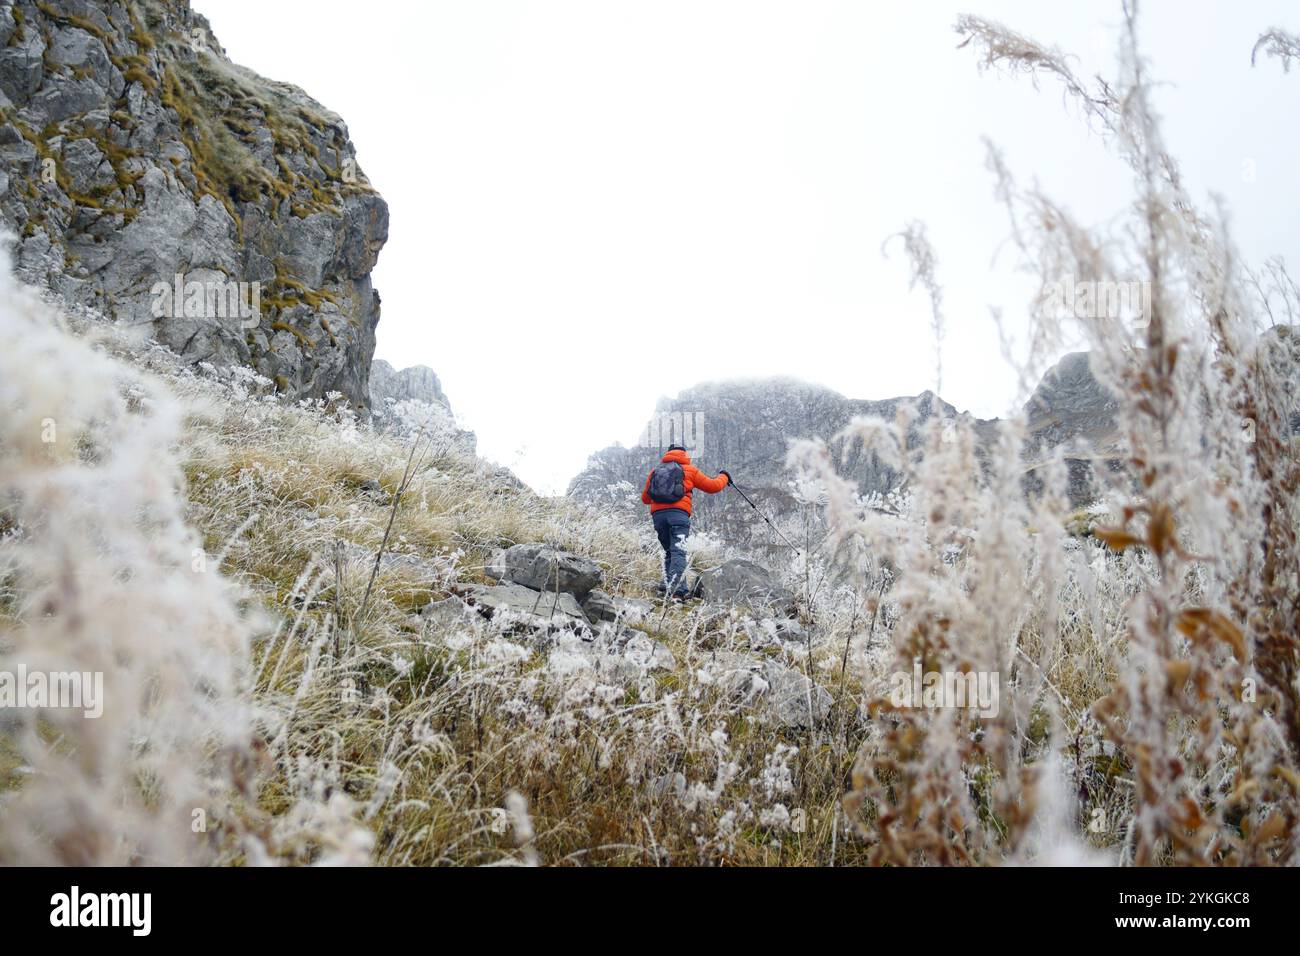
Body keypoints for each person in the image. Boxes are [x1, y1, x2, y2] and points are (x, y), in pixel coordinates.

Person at [641, 444, 730, 599]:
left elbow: (645, 499)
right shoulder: (689, 470)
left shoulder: (656, 471)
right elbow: (713, 486)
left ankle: (669, 583)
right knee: (678, 551)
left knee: (669, 551)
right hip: (678, 515)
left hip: (658, 516)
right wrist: (725, 476)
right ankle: (677, 590)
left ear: (667, 454)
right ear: (685, 454)